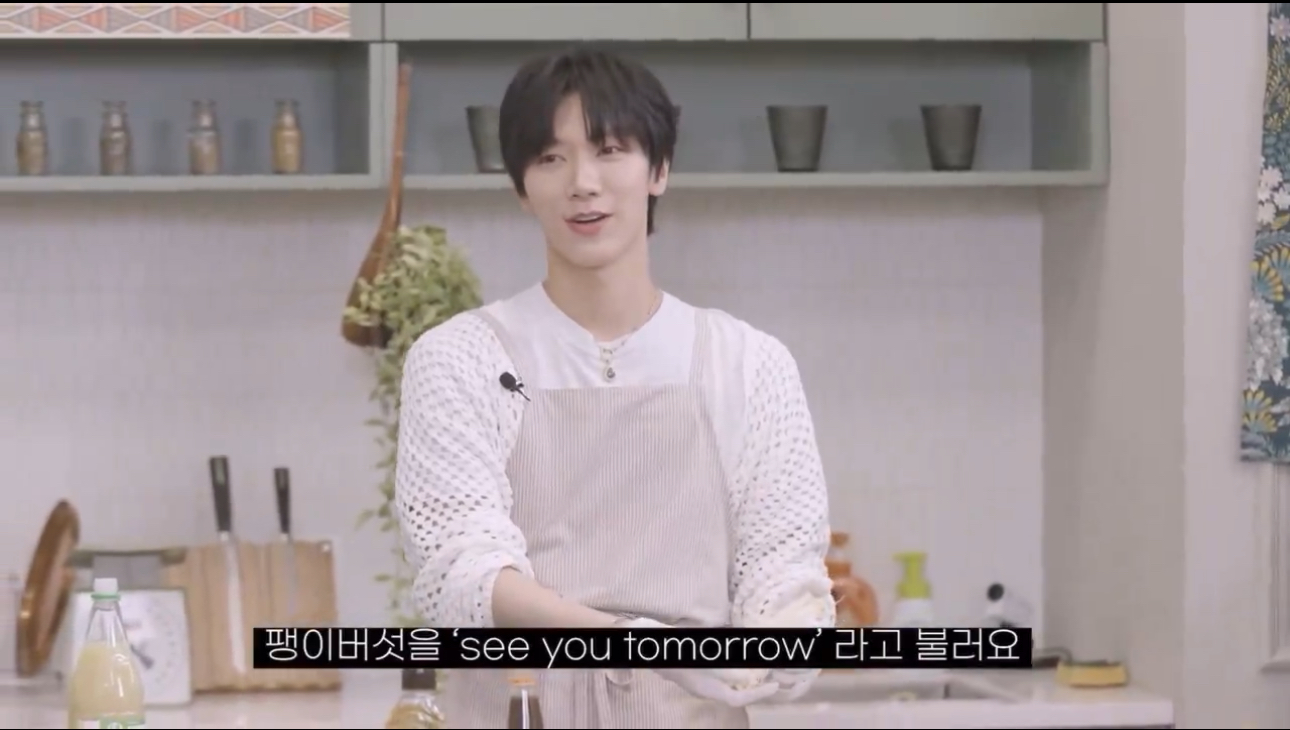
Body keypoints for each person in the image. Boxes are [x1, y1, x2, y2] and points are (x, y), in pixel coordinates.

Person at [394, 45, 835, 729]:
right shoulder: (460, 359)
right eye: (550, 158)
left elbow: (782, 564)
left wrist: (784, 633)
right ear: (520, 186)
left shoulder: (749, 364)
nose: (583, 183)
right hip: (519, 710)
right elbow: (462, 569)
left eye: (610, 151)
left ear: (659, 169)